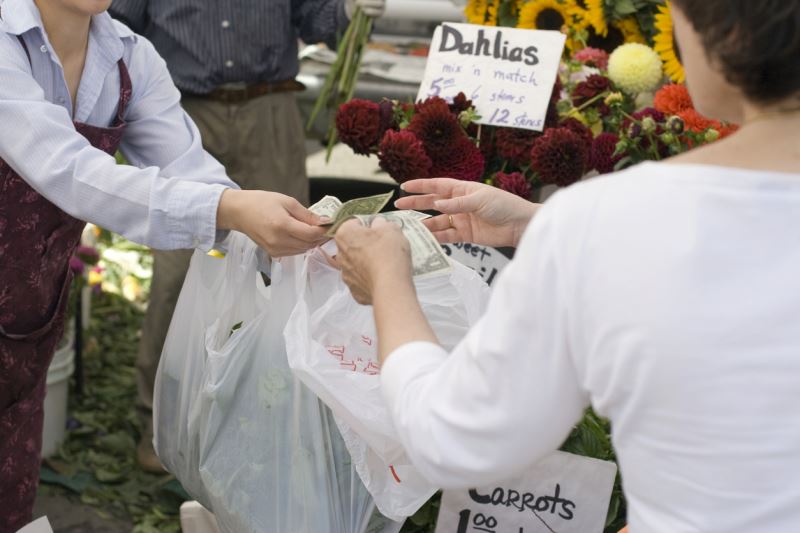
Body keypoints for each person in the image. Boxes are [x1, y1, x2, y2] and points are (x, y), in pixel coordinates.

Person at [334, 1, 800, 531]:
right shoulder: (596, 225)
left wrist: (388, 280)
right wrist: (539, 226)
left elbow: (453, 439)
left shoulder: (600, 220)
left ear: (721, 33)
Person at [0, 0, 328, 529]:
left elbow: (189, 169)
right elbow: (67, 170)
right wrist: (229, 209)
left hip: (26, 319)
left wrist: (293, 234)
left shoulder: (130, 57)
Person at [107, 0, 386, 471]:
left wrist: (350, 11)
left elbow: (319, 19)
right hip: (183, 113)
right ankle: (160, 422)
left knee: (293, 264)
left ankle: (283, 418)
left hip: (269, 111)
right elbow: (113, 28)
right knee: (176, 276)